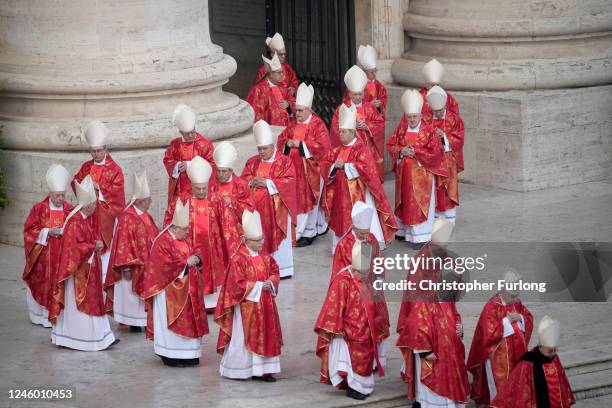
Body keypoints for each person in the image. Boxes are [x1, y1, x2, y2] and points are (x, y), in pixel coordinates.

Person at [396, 218, 469, 408]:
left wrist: (456, 326)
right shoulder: (419, 262)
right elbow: (415, 299)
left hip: (444, 322)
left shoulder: (448, 259)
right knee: (428, 371)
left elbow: (455, 292)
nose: (443, 250)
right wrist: (423, 346)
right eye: (439, 246)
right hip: (425, 326)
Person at [49, 176, 118, 351]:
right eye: (94, 205)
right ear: (87, 205)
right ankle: (81, 338)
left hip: (88, 268)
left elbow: (86, 240)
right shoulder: (74, 221)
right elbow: (72, 249)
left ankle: (102, 336)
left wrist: (95, 244)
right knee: (81, 304)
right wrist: (92, 246)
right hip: (77, 274)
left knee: (95, 300)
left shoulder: (85, 218)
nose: (96, 208)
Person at [164, 156, 241, 311]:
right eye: (197, 188)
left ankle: (212, 304)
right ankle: (192, 301)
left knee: (214, 272)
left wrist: (233, 245)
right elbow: (170, 222)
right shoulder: (182, 200)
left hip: (213, 249)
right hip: (189, 247)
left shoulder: (216, 199)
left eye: (203, 188)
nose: (201, 191)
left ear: (208, 185)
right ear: (192, 186)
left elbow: (228, 224)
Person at [215, 210, 283, 381]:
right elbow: (235, 286)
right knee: (243, 337)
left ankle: (264, 371)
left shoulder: (266, 258)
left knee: (267, 334)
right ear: (246, 240)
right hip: (247, 307)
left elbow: (274, 271)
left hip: (266, 305)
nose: (262, 243)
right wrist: (260, 286)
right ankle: (241, 370)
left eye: (262, 239)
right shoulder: (238, 259)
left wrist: (272, 282)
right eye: (257, 240)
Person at [314, 239, 386, 400]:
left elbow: (379, 302)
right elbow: (333, 306)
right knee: (347, 361)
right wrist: (337, 329)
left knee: (365, 359)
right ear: (354, 269)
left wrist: (379, 322)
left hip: (366, 330)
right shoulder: (342, 281)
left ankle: (361, 386)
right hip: (347, 332)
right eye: (362, 273)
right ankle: (353, 387)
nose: (365, 276)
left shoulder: (369, 278)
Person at [321, 104, 396, 253]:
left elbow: (367, 170)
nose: (340, 135)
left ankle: (361, 246)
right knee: (341, 219)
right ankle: (342, 246)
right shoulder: (337, 150)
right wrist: (334, 167)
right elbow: (324, 164)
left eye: (343, 132)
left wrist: (346, 167)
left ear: (352, 132)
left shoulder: (361, 148)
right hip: (340, 195)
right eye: (340, 132)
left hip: (359, 194)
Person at [142, 200, 207, 367]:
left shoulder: (184, 238)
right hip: (169, 293)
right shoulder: (161, 242)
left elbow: (195, 251)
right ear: (174, 228)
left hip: (189, 291)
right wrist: (186, 264)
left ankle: (190, 354)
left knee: (190, 323)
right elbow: (162, 267)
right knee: (171, 328)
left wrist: (197, 259)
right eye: (184, 229)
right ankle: (169, 355)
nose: (187, 232)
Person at [387, 89, 446, 245]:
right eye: (409, 117)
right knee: (405, 203)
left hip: (422, 178)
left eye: (414, 117)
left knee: (419, 206)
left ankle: (422, 236)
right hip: (404, 176)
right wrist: (401, 151)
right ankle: (405, 232)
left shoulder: (428, 131)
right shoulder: (401, 129)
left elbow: (437, 153)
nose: (411, 120)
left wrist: (416, 153)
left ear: (420, 116)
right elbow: (391, 144)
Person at [467, 269, 534, 407]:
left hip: (518, 353)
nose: (514, 298)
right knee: (501, 389)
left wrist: (520, 318)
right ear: (503, 290)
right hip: (498, 356)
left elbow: (528, 318)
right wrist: (506, 321)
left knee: (518, 385)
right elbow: (488, 333)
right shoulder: (491, 306)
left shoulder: (516, 302)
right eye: (511, 295)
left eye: (516, 294)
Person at [277, 83, 331, 247]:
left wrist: (300, 145)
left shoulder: (318, 124)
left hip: (311, 170)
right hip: (294, 170)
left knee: (309, 201)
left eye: (300, 110)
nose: (297, 113)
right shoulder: (292, 124)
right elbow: (281, 140)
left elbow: (323, 147)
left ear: (309, 109)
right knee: (299, 201)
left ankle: (308, 233)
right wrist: (287, 144)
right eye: (296, 110)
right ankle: (316, 228)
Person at [71, 120, 125, 282]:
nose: (96, 154)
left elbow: (117, 194)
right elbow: (75, 181)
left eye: (99, 151)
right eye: (93, 151)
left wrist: (98, 188)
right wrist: (84, 188)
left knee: (104, 252)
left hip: (105, 217)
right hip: (88, 214)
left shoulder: (115, 169)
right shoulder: (86, 167)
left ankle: (103, 280)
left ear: (106, 149)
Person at [105, 172, 160, 332]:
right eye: (149, 200)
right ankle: (133, 323)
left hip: (146, 265)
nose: (151, 202)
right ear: (142, 201)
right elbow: (123, 244)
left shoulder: (145, 215)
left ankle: (142, 322)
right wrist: (127, 267)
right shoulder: (127, 218)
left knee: (140, 299)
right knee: (131, 297)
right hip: (131, 266)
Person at [242, 120, 296, 279]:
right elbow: (243, 180)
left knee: (279, 243)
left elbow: (290, 181)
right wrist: (252, 181)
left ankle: (283, 269)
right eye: (260, 149)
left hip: (276, 210)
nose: (262, 152)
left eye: (265, 149)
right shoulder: (252, 162)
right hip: (257, 210)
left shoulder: (284, 162)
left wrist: (268, 183)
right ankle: (261, 268)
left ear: (272, 146)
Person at [22, 164, 74, 327]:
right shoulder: (39, 209)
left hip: (62, 258)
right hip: (43, 259)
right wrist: (46, 231)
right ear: (50, 193)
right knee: (44, 283)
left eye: (63, 196)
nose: (60, 199)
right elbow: (29, 230)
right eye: (57, 196)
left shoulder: (70, 210)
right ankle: (41, 317)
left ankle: (60, 315)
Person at [491, 316, 575, 408]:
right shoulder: (528, 362)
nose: (553, 353)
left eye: (555, 350)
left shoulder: (555, 358)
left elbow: (562, 381)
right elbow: (519, 386)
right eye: (550, 351)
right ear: (541, 348)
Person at [331, 65, 385, 178]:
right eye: (355, 94)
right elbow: (336, 129)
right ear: (349, 94)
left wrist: (367, 126)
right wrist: (350, 127)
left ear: (364, 93)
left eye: (360, 94)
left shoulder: (369, 108)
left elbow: (380, 124)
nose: (357, 97)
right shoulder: (343, 109)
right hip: (349, 151)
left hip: (368, 151)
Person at [424, 86, 465, 225]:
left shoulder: (454, 119)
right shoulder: (427, 119)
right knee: (434, 189)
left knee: (448, 189)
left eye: (440, 111)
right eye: (435, 111)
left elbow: (459, 139)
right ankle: (435, 219)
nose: (438, 113)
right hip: (433, 161)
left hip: (448, 161)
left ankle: (449, 220)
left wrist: (444, 137)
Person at [163, 104, 215, 205]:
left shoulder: (205, 144)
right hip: (180, 188)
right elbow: (167, 159)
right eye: (187, 133)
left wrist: (190, 165)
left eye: (192, 132)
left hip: (199, 190)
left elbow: (212, 164)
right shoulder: (175, 144)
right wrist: (177, 165)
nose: (191, 135)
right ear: (181, 132)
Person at [208, 141, 254, 224]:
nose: (220, 174)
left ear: (231, 171)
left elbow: (250, 208)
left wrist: (231, 201)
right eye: (218, 171)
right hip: (217, 224)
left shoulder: (241, 185)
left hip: (236, 226)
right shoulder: (212, 184)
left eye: (224, 171)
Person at [246, 53, 295, 126]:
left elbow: (293, 102)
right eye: (279, 73)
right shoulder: (258, 90)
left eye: (282, 72)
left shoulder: (282, 87)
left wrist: (288, 104)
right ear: (270, 74)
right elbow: (255, 113)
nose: (282, 75)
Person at [343, 45, 387, 120]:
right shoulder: (355, 83)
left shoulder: (378, 85)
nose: (374, 74)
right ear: (364, 71)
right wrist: (369, 105)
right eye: (372, 72)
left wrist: (380, 104)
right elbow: (346, 102)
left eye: (375, 71)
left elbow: (383, 98)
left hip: (373, 116)